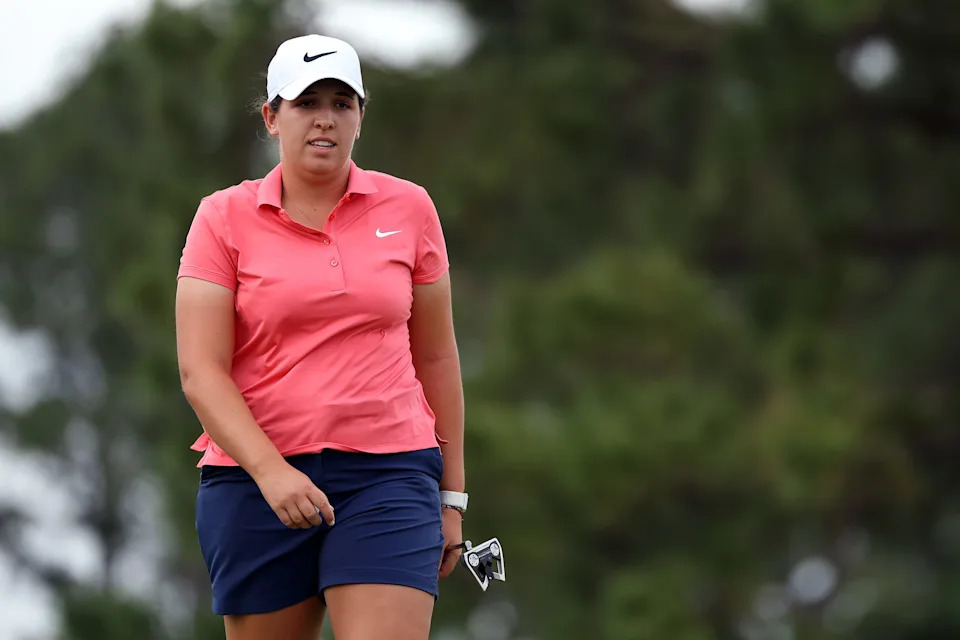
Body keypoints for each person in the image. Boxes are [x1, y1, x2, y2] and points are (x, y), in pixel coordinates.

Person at [175, 34, 467, 640]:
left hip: (389, 475)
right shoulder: (221, 217)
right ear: (272, 116)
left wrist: (453, 495)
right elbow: (201, 370)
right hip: (255, 481)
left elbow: (436, 355)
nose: (325, 120)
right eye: (307, 103)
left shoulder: (409, 208)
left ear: (361, 116)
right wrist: (271, 472)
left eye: (342, 103)